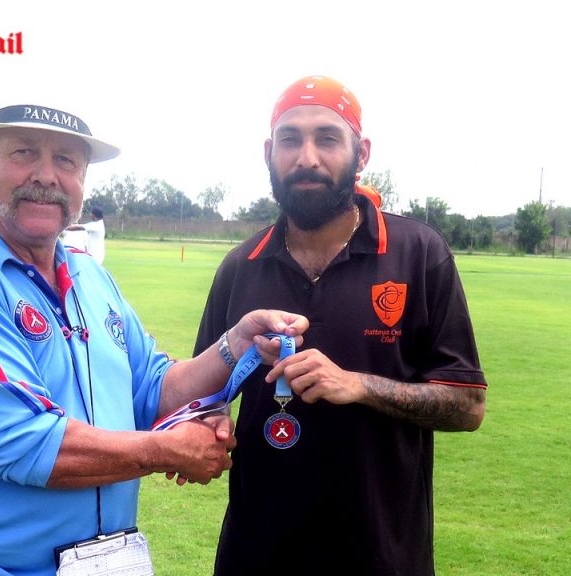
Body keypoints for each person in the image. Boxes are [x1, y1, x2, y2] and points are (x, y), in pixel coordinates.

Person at [0, 103, 309, 576]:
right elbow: (24, 444)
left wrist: (236, 345)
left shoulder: (90, 276)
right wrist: (168, 450)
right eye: (24, 152)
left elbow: (154, 389)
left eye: (66, 160)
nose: (46, 175)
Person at [193, 75, 488, 575]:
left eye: (327, 138)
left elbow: (467, 406)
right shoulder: (241, 265)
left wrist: (357, 386)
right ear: (269, 153)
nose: (306, 157)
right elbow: (203, 395)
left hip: (382, 557)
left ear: (361, 152)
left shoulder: (418, 254)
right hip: (256, 555)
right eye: (290, 139)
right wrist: (210, 421)